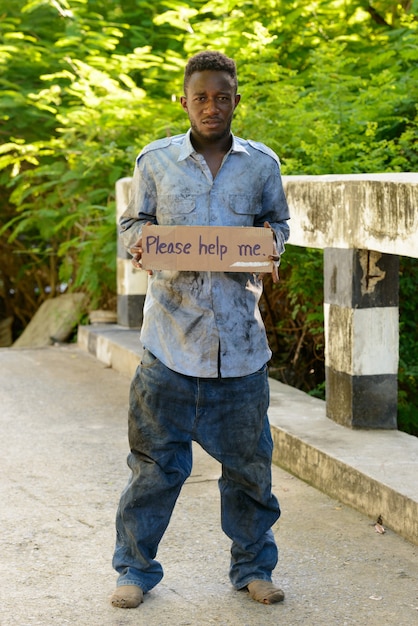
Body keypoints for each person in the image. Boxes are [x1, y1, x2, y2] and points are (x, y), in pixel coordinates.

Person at [111, 50, 290, 610]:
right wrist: (142, 241)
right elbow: (133, 220)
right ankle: (134, 572)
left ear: (237, 99)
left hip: (239, 350)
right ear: (183, 101)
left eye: (222, 96)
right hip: (169, 347)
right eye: (200, 97)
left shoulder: (262, 165)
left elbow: (277, 223)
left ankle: (253, 567)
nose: (211, 106)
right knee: (153, 471)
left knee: (250, 471)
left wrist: (271, 249)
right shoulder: (155, 162)